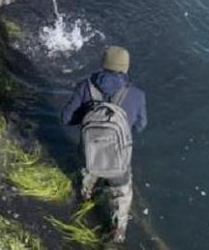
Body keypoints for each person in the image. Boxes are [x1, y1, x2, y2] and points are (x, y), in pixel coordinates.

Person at [61, 46, 147, 244]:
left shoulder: (85, 87)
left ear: (103, 64)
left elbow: (66, 119)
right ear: (125, 68)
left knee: (88, 174)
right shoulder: (137, 94)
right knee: (121, 195)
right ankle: (117, 231)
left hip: (90, 155)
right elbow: (141, 126)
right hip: (119, 161)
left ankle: (85, 196)